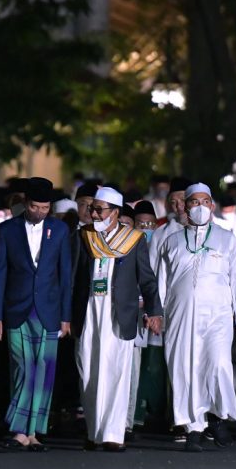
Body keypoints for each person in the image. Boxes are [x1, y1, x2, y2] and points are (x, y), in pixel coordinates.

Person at [157, 183, 236, 452]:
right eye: (193, 202)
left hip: (218, 316)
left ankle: (217, 416)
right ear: (185, 207)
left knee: (218, 365)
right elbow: (161, 283)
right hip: (180, 316)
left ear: (212, 206)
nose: (199, 207)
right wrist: (157, 314)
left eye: (204, 202)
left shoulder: (226, 239)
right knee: (185, 369)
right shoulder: (171, 241)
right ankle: (193, 428)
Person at [72, 187, 163, 452]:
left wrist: (154, 312)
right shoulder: (83, 236)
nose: (94, 213)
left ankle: (113, 433)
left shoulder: (133, 239)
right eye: (92, 208)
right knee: (88, 370)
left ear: (115, 213)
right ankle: (94, 430)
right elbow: (73, 278)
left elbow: (147, 278)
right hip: (89, 312)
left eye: (99, 209)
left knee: (117, 372)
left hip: (119, 313)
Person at [0, 177, 72, 451]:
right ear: (25, 204)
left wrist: (66, 316)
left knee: (44, 372)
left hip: (49, 310)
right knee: (24, 368)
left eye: (46, 207)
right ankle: (20, 428)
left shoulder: (60, 230)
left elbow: (65, 276)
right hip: (15, 309)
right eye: (35, 206)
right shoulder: (6, 231)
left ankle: (32, 432)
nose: (40, 212)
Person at [127, 200, 168, 434]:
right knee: (140, 366)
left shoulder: (162, 239)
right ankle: (137, 413)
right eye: (141, 223)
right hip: (136, 312)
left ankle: (158, 411)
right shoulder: (131, 243)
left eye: (150, 223)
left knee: (156, 365)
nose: (146, 227)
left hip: (158, 313)